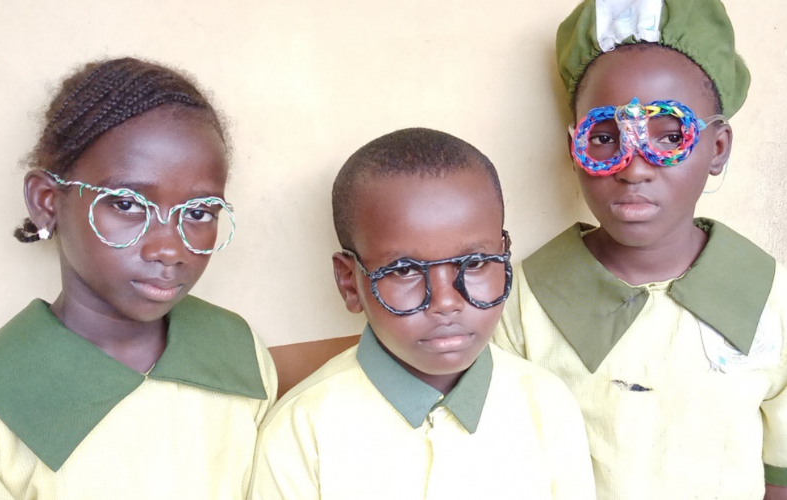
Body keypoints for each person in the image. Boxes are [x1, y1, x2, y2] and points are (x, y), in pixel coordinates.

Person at [491, 1, 787, 499]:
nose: (634, 167)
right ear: (573, 148)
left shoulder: (775, 304)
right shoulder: (524, 304)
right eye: (603, 137)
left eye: (669, 135)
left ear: (718, 148)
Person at [0, 57, 277, 499]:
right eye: (126, 203)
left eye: (198, 213)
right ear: (47, 201)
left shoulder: (235, 348)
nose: (169, 248)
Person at [248, 127, 595, 500]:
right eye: (403, 271)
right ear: (350, 282)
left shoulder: (545, 404)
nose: (445, 301)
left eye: (476, 262)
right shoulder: (302, 430)